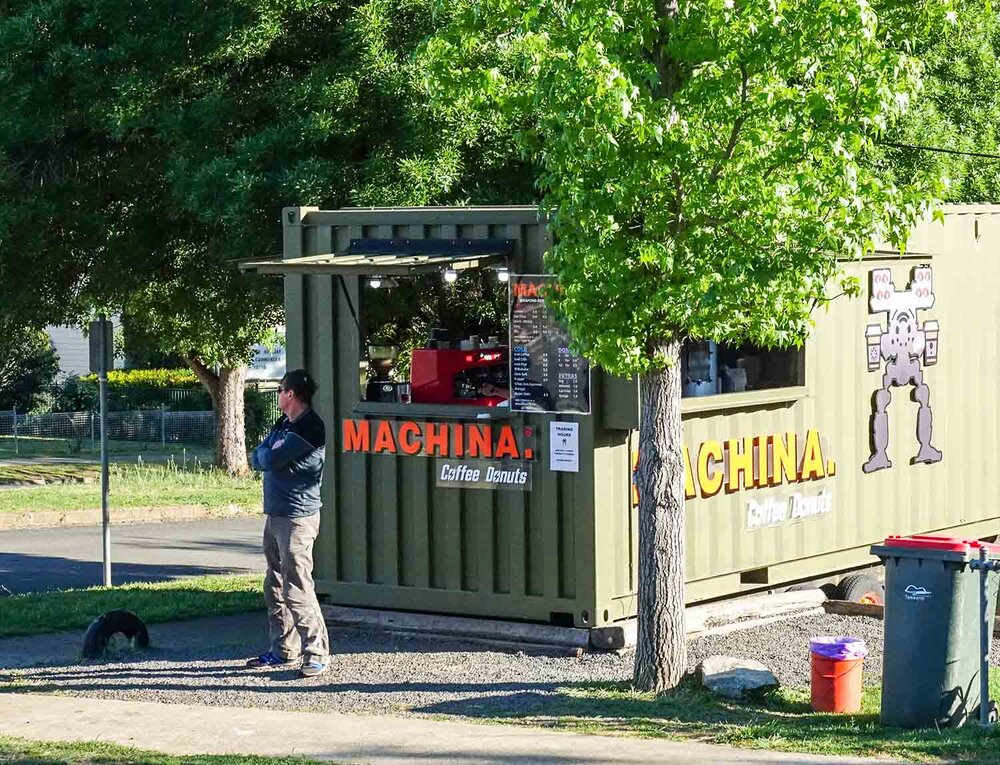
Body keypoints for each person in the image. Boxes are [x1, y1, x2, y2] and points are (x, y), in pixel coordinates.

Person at [245, 369, 330, 678]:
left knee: (297, 587)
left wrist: (266, 455)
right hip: (275, 516)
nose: (278, 394)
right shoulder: (285, 424)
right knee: (275, 585)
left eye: (281, 389)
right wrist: (265, 455)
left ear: (291, 394)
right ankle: (283, 651)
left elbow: (268, 460)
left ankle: (316, 653)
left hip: (297, 519)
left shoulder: (310, 427)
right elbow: (261, 453)